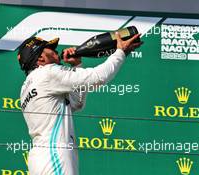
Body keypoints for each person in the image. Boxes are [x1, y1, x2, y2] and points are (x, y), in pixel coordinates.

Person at [18, 33, 142, 175]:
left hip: (40, 157)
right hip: (54, 153)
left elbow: (76, 103)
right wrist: (120, 52)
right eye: (50, 49)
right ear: (40, 58)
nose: (56, 51)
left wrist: (77, 65)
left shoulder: (26, 87)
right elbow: (98, 77)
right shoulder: (47, 73)